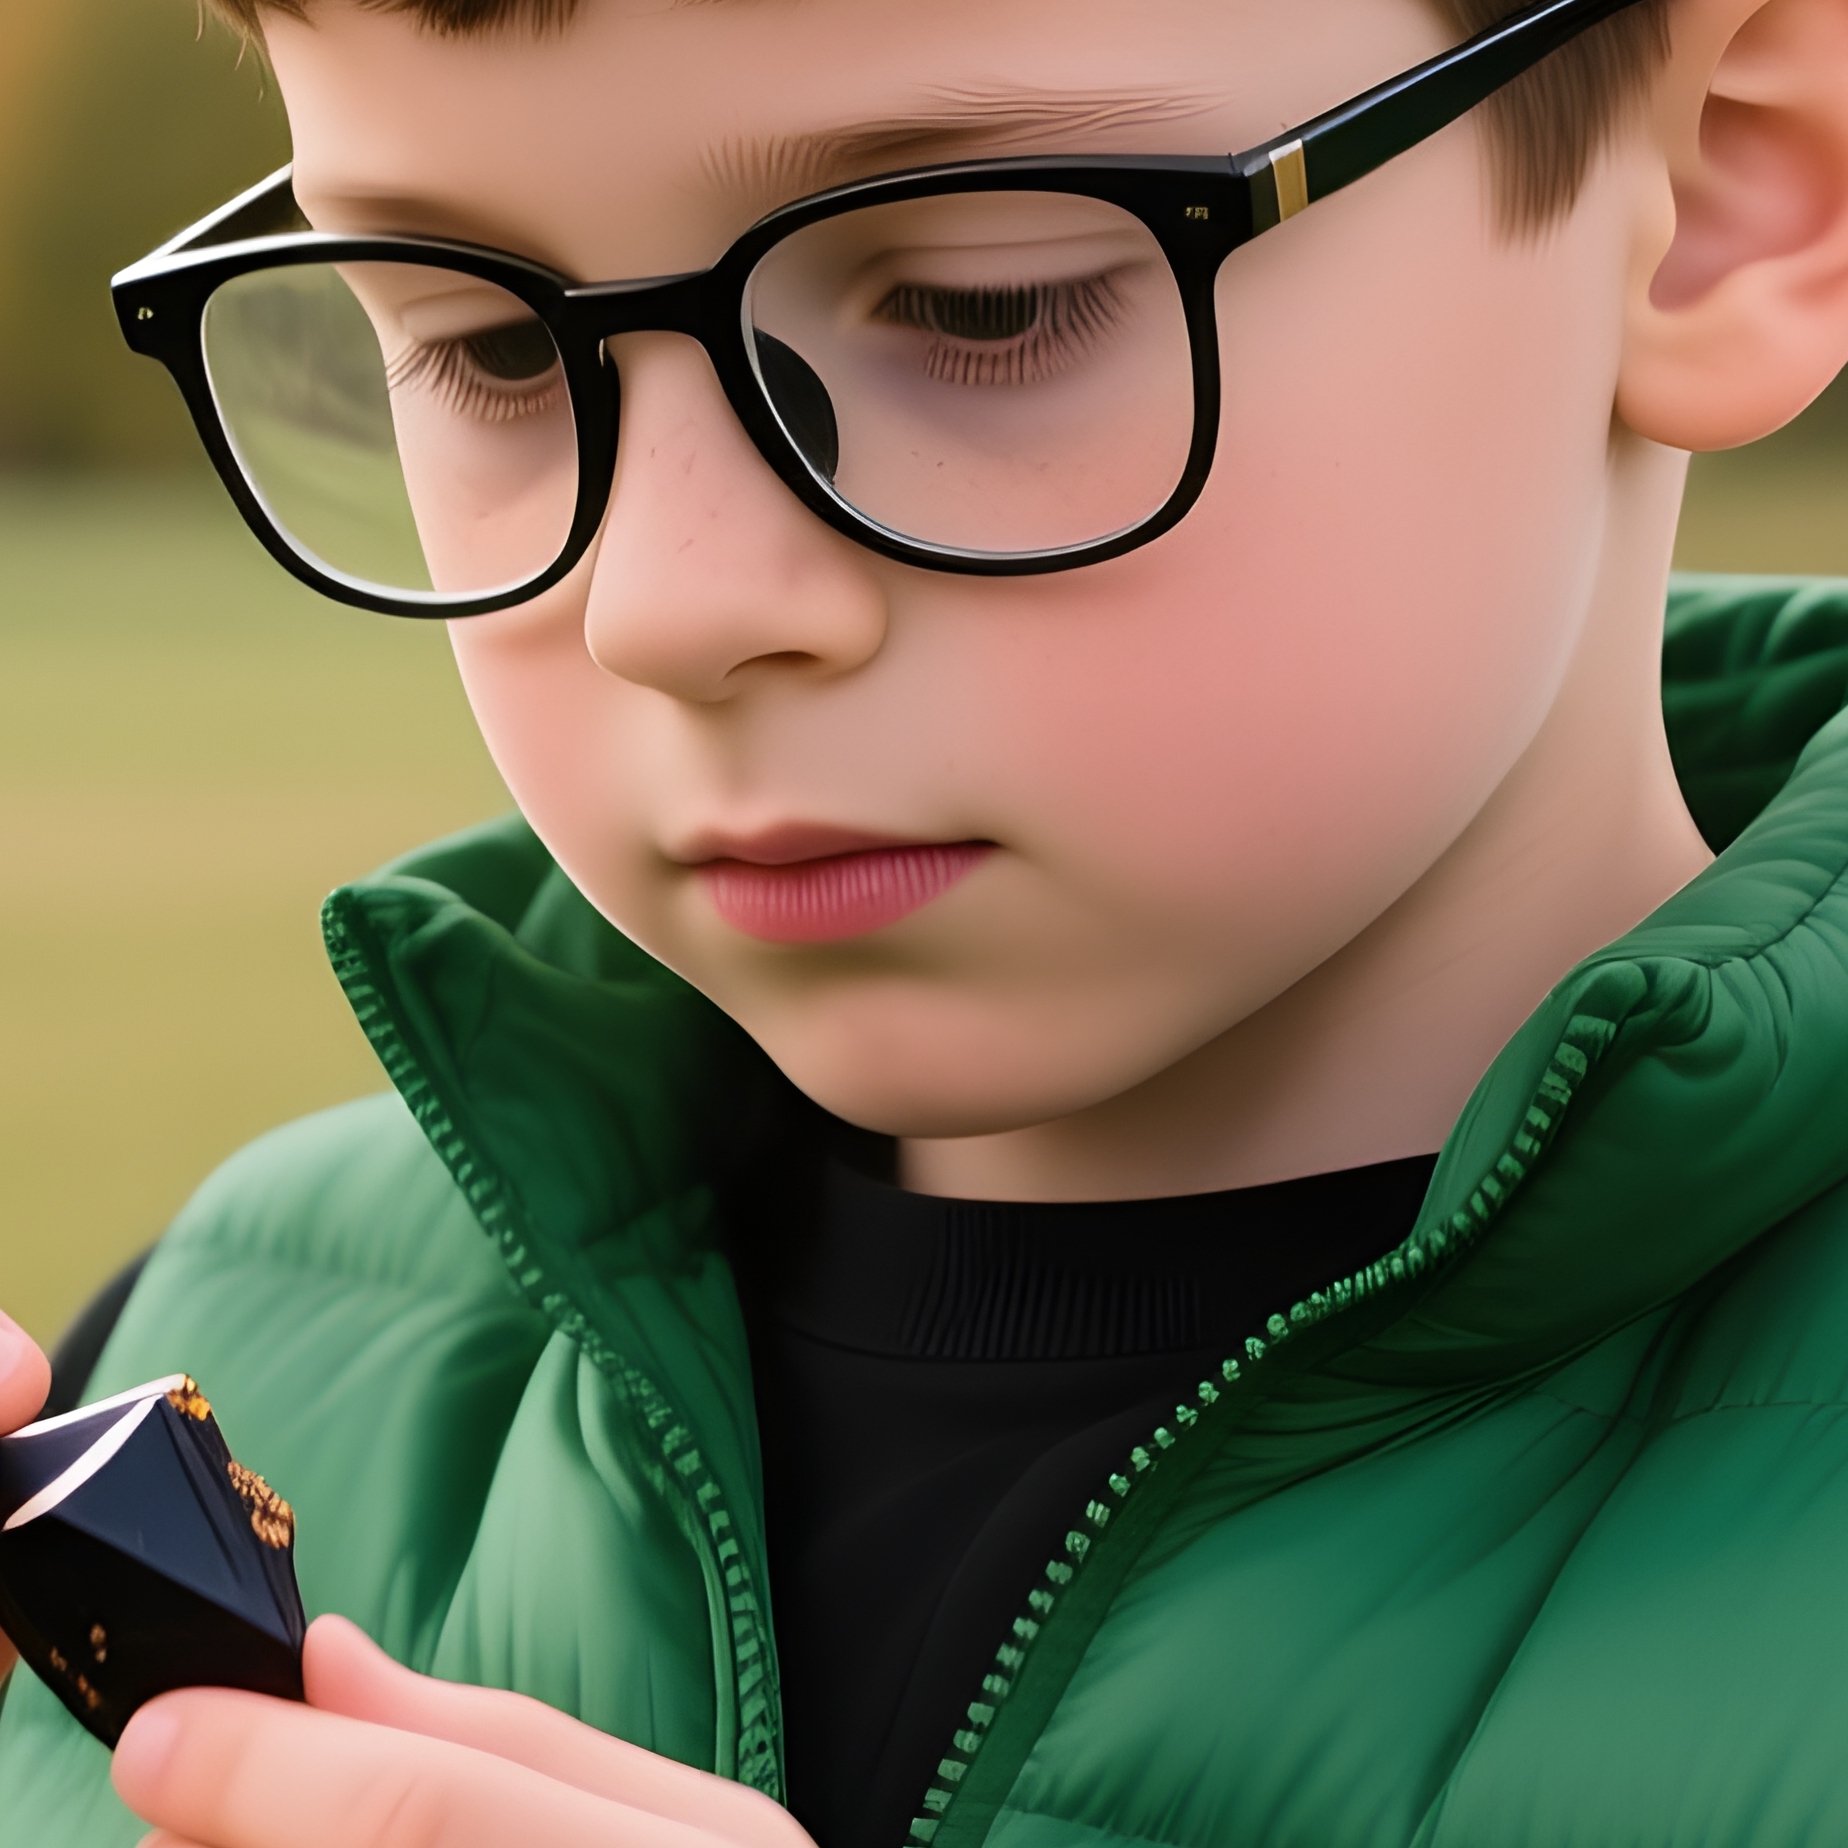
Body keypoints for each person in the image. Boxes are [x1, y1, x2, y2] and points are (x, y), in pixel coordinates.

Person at [3, 0, 1848, 1838]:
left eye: (987, 304)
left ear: (1720, 191)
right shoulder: (217, 1356)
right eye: (489, 346)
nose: (664, 599)